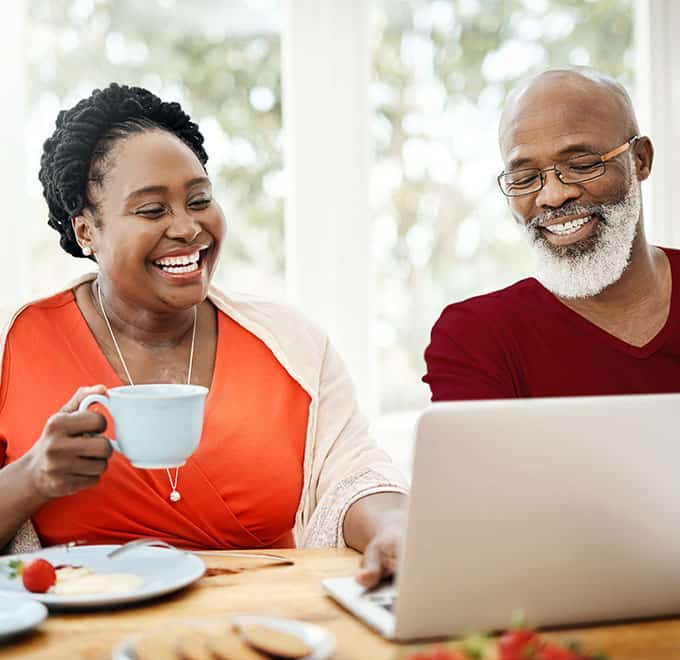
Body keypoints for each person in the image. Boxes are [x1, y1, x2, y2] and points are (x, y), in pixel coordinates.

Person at [0, 83, 406, 587]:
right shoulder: (14, 344)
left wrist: (396, 528)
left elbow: (355, 477)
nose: (188, 227)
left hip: (269, 626)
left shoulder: (291, 343)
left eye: (199, 200)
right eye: (152, 210)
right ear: (86, 232)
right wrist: (32, 478)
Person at [424, 66, 680, 401]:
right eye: (525, 178)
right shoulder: (477, 339)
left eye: (582, 165)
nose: (554, 195)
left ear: (640, 160)